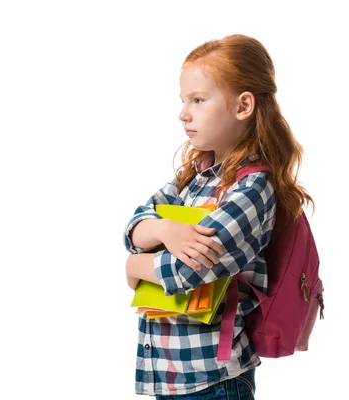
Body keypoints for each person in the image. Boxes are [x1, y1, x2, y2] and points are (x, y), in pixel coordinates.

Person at [123, 33, 314, 399]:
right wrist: (164, 228)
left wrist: (133, 268)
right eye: (183, 101)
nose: (183, 113)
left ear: (243, 106)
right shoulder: (196, 174)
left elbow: (185, 271)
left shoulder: (252, 189)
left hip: (214, 383)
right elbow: (133, 227)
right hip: (172, 377)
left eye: (198, 100)